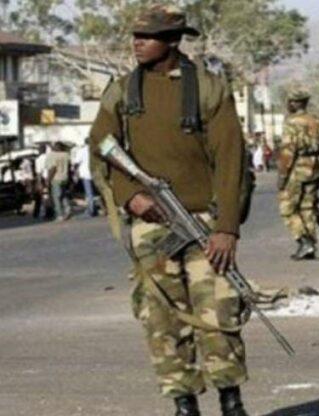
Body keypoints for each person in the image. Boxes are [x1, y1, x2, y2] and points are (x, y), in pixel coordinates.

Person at [88, 5, 251, 415]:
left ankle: (231, 400)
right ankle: (183, 402)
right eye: (135, 36)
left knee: (218, 309)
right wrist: (130, 195)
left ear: (174, 41)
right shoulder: (123, 90)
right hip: (151, 223)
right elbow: (103, 148)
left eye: (149, 36)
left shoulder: (210, 88)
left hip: (204, 221)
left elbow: (231, 160)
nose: (138, 43)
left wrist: (227, 227)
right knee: (161, 316)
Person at [277, 87, 319, 261]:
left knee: (287, 208)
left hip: (297, 170)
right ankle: (310, 246)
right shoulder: (316, 121)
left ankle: (304, 240)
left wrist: (282, 175)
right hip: (314, 169)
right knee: (307, 207)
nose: (288, 104)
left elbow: (288, 150)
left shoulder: (291, 123)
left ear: (296, 103)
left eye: (290, 101)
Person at [45, 141, 72, 222]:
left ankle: (60, 215)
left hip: (56, 178)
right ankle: (68, 209)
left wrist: (48, 179)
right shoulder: (66, 154)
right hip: (65, 177)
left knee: (56, 197)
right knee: (63, 194)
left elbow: (52, 168)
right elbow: (70, 166)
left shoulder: (52, 155)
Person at [73, 140, 99, 216]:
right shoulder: (96, 149)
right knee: (99, 192)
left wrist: (75, 171)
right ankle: (102, 208)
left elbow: (76, 162)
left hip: (86, 174)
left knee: (89, 192)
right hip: (96, 173)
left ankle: (91, 210)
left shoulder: (81, 151)